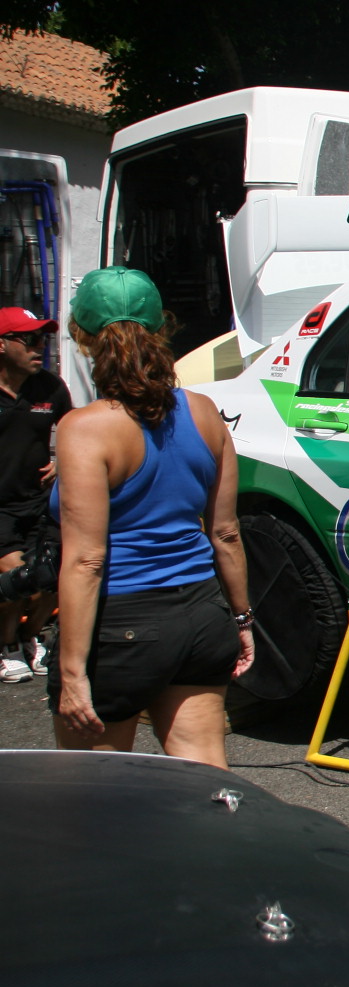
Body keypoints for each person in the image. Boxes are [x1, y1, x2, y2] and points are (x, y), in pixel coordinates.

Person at [48, 268, 254, 769]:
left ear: (82, 338)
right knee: (204, 774)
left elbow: (86, 561)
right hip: (202, 613)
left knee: (96, 789)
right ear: (162, 328)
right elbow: (225, 533)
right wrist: (242, 619)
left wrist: (72, 673)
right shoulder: (204, 412)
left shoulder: (84, 429)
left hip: (121, 623)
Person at [0, 307, 71, 683]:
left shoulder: (50, 387)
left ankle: (30, 638)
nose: (39, 347)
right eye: (29, 339)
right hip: (1, 507)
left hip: (39, 501)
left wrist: (63, 461)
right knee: (19, 576)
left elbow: (77, 429)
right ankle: (8, 646)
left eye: (42, 339)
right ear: (2, 344)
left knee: (55, 575)